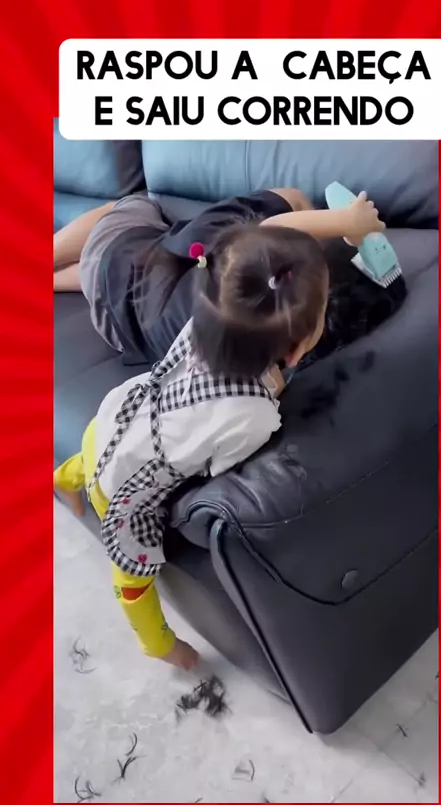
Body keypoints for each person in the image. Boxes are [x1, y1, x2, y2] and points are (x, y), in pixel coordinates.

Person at [54, 192, 385, 670]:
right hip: (124, 494)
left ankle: (64, 480)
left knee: (98, 454)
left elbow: (266, 236)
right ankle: (158, 645)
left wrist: (345, 221)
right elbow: (214, 465)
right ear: (296, 352)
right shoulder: (255, 416)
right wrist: (269, 394)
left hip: (112, 417)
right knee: (132, 580)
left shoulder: (202, 322)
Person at [53, 188, 386, 366]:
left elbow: (281, 215)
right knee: (95, 274)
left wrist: (347, 221)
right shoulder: (248, 371)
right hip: (118, 327)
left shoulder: (218, 233)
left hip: (115, 258)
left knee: (129, 205)